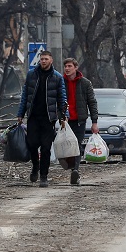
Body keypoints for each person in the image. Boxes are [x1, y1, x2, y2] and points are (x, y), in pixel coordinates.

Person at [17, 50, 68, 188]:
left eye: (46, 59)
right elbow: (25, 96)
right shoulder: (31, 75)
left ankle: (44, 176)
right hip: (33, 116)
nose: (43, 61)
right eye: (41, 59)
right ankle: (35, 166)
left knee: (46, 148)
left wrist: (64, 116)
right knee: (32, 144)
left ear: (51, 60)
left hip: (48, 118)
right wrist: (20, 114)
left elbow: (62, 98)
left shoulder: (57, 77)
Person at [62, 58, 99, 186]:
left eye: (69, 66)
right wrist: (59, 116)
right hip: (65, 121)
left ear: (76, 67)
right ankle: (72, 168)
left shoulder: (85, 83)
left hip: (79, 120)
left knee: (76, 145)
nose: (67, 68)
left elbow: (92, 102)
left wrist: (94, 122)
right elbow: (56, 101)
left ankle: (75, 171)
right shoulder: (61, 83)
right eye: (65, 66)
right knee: (67, 146)